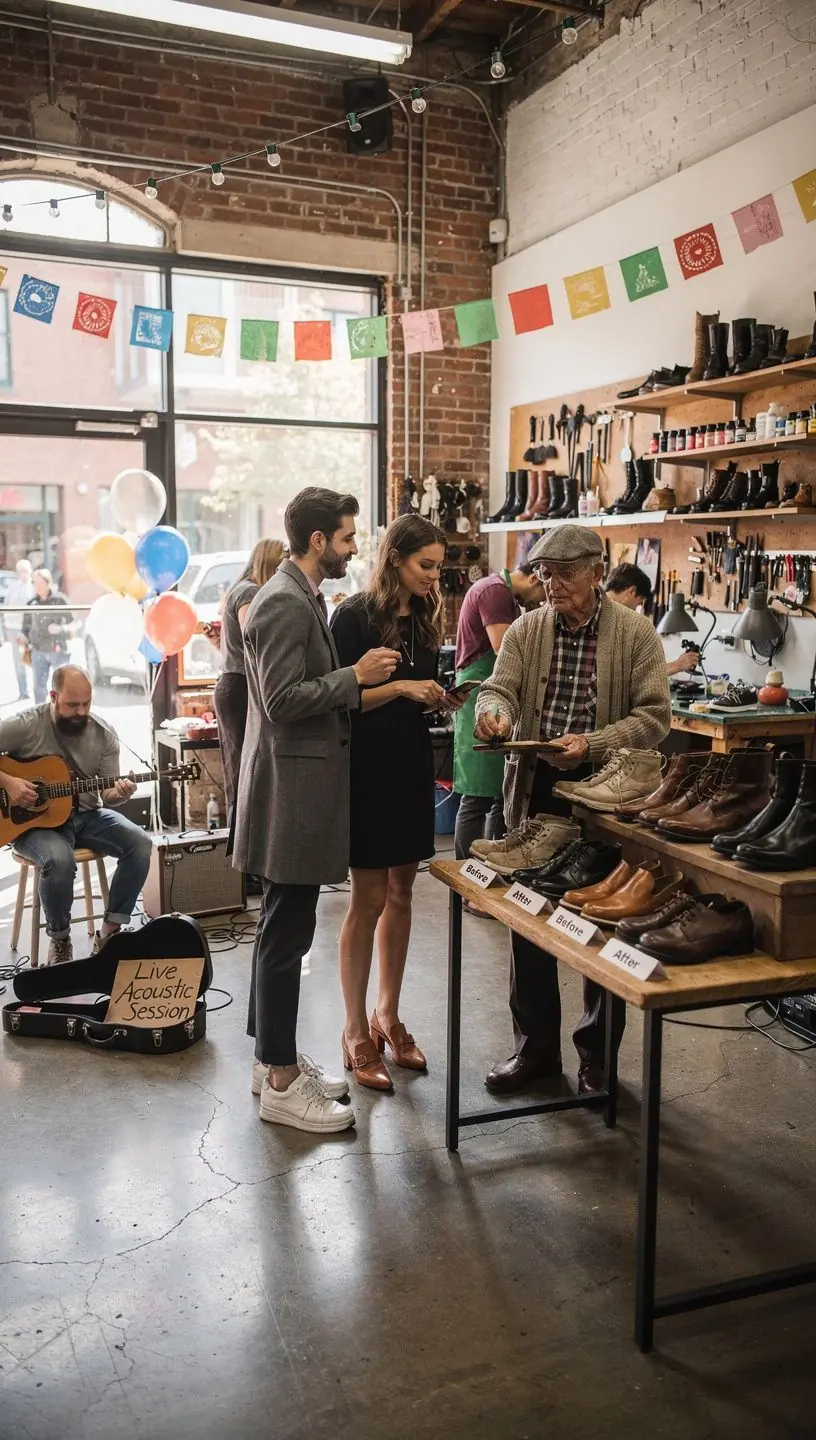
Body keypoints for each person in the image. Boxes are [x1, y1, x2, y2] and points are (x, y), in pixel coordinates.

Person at [474, 526, 671, 1097]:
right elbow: (500, 688)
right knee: (529, 919)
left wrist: (595, 742)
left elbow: (654, 717)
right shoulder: (529, 629)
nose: (550, 584)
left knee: (601, 921)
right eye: (543, 573)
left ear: (595, 570)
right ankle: (534, 1051)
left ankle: (597, 1058)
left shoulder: (635, 633)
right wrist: (495, 714)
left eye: (562, 573)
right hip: (536, 788)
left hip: (605, 790)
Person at [232, 487, 400, 1135]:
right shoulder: (280, 600)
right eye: (350, 538)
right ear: (318, 541)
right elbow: (280, 700)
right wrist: (355, 677)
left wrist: (364, 684)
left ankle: (267, 1060)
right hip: (292, 798)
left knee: (281, 930)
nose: (357, 549)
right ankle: (279, 1081)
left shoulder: (297, 594)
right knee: (286, 938)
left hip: (295, 792)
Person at [330, 516, 457, 1090]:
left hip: (410, 765)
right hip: (365, 769)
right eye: (424, 565)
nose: (434, 577)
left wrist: (440, 697)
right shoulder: (354, 616)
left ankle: (389, 1014)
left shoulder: (427, 619)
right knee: (369, 897)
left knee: (404, 891)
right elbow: (341, 700)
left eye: (438, 567)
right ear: (394, 559)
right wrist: (405, 688)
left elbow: (415, 692)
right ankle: (355, 1030)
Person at [0, 665, 153, 965]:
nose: (81, 712)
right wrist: (10, 782)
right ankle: (60, 940)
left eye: (87, 703)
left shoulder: (103, 734)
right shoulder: (26, 725)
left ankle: (109, 934)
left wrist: (119, 793)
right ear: (53, 696)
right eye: (72, 705)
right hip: (33, 824)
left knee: (140, 843)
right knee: (59, 860)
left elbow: (107, 797)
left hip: (86, 815)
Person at [453, 563, 546, 863]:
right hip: (481, 694)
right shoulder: (495, 592)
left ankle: (490, 870)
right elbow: (504, 648)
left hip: (493, 692)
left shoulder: (499, 591)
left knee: (498, 795)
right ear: (534, 577)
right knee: (477, 797)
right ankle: (467, 876)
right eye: (544, 589)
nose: (543, 599)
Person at [213, 538, 286, 819]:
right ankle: (243, 846)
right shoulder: (250, 593)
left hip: (234, 685)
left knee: (241, 770)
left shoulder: (240, 588)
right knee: (247, 774)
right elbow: (253, 634)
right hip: (240, 688)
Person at [604, 563, 700, 677]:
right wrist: (677, 666)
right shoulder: (605, 620)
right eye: (639, 603)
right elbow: (630, 677)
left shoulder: (604, 613)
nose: (636, 609)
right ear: (631, 591)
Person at [23, 568, 74, 705]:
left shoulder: (60, 600)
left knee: (62, 686)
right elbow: (25, 628)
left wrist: (61, 629)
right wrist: (24, 640)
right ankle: (40, 716)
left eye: (40, 583)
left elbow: (75, 623)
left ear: (48, 583)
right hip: (38, 650)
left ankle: (63, 714)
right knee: (38, 688)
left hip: (58, 649)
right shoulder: (31, 603)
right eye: (34, 583)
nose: (37, 586)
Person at [2, 559, 33, 701]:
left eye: (26, 571)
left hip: (30, 629)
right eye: (21, 571)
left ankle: (38, 688)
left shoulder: (34, 587)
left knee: (33, 659)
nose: (24, 574)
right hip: (14, 628)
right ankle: (23, 691)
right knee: (18, 660)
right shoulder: (13, 587)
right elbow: (7, 607)